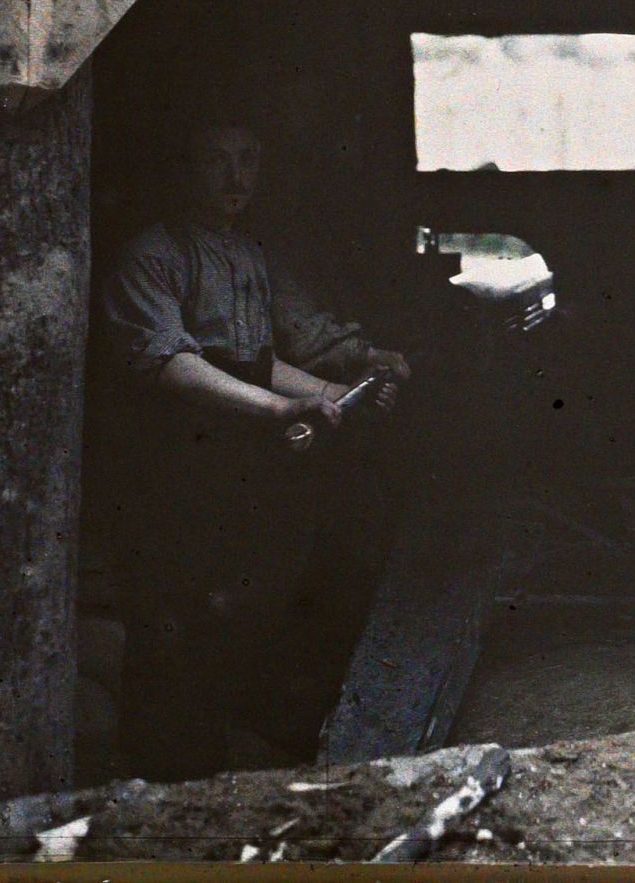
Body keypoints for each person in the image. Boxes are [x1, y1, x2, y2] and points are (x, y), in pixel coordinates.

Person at [99, 115, 411, 779]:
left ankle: (216, 765)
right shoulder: (152, 253)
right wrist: (280, 409)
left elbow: (255, 360)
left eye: (248, 160)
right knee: (172, 622)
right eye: (217, 160)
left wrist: (333, 390)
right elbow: (170, 363)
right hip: (170, 468)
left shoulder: (242, 253)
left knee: (236, 611)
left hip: (232, 467)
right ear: (184, 168)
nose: (237, 177)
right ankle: (166, 777)